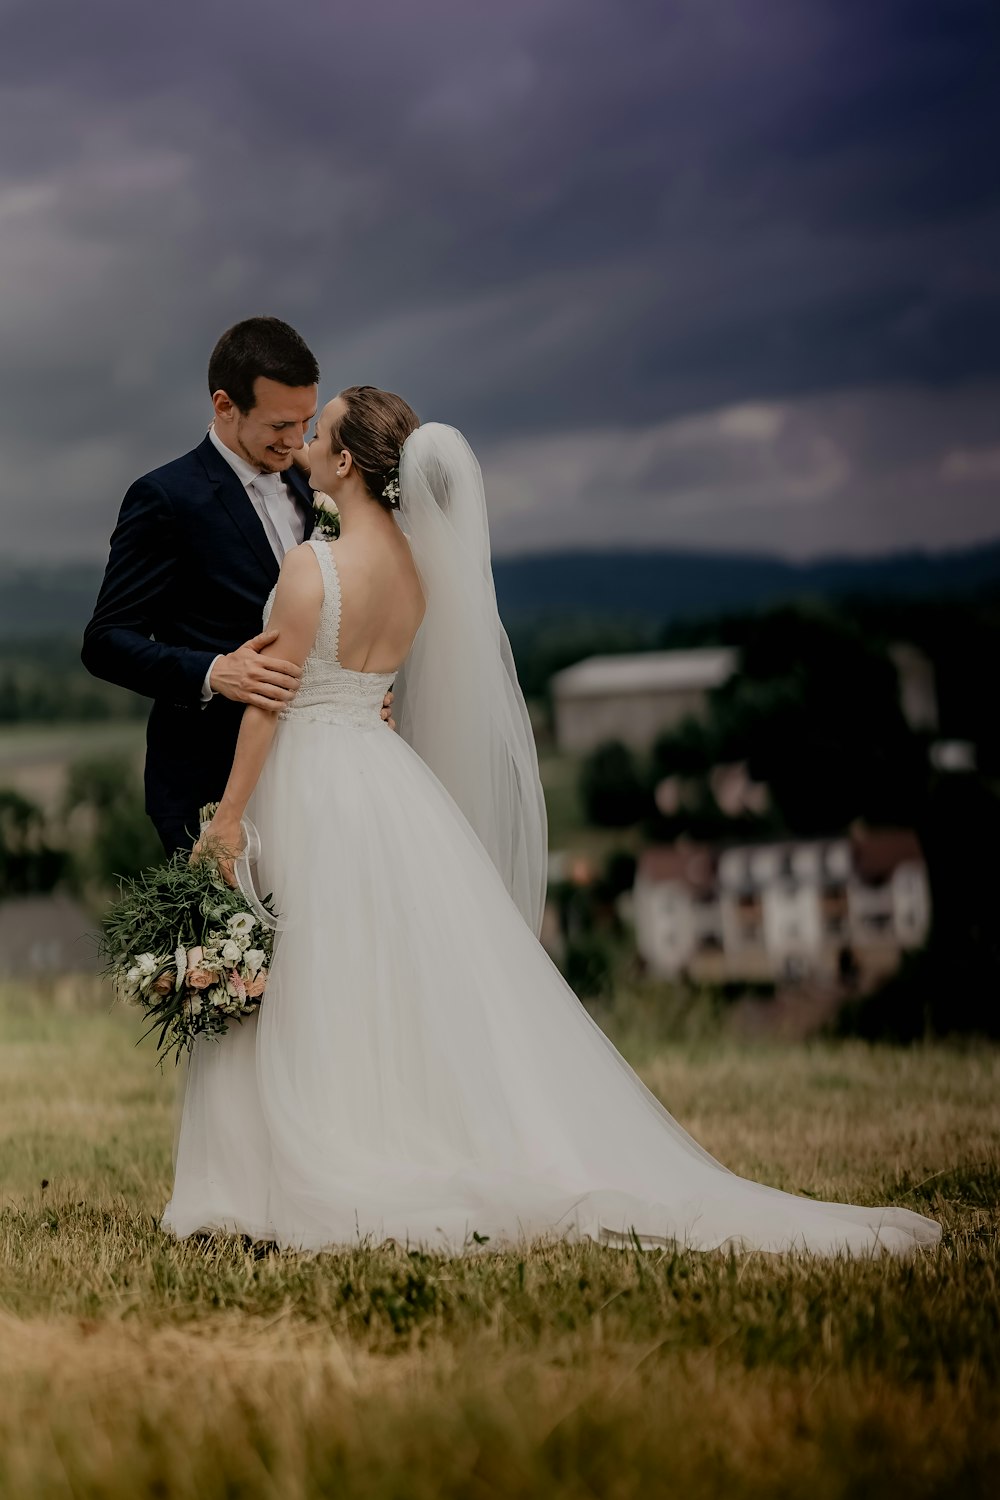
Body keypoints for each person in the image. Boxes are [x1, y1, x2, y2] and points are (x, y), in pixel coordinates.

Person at [163, 387, 941, 1257]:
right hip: (384, 784)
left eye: (322, 427)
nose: (304, 439)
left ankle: (280, 1176)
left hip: (312, 781)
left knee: (308, 971)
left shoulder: (313, 567)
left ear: (344, 464)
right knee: (377, 973)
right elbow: (373, 683)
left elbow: (270, 700)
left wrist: (227, 820)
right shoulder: (420, 577)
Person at [81, 317, 393, 856]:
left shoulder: (314, 482)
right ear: (225, 406)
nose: (297, 440)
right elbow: (105, 640)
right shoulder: (164, 499)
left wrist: (355, 693)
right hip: (210, 783)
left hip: (324, 777)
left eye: (306, 421)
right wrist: (213, 671)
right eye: (279, 425)